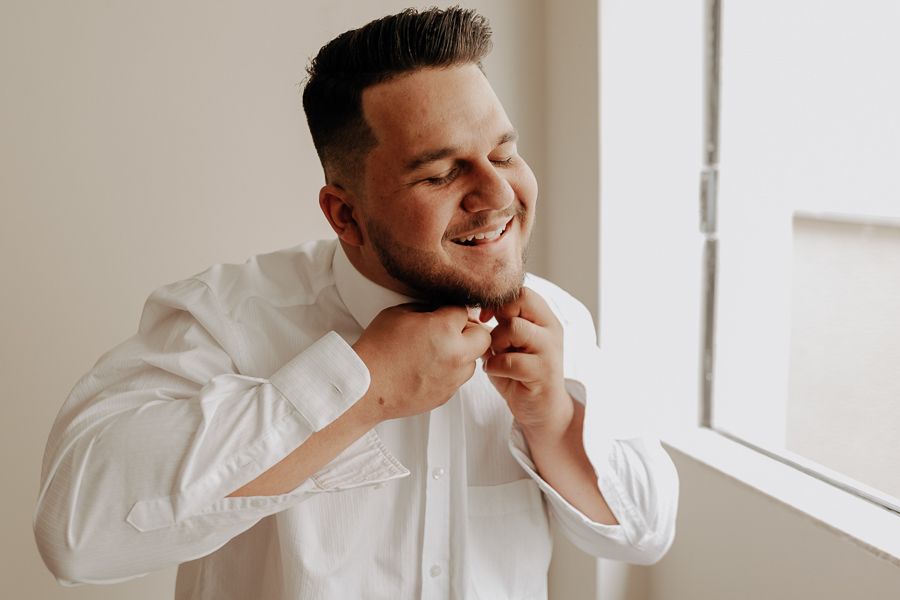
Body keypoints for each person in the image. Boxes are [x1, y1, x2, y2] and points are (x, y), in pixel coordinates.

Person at [34, 7, 678, 599]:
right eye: (440, 173)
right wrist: (359, 391)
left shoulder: (554, 320)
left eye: (504, 153)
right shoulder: (224, 320)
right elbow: (77, 537)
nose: (498, 194)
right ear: (345, 214)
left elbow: (644, 535)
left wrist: (554, 420)